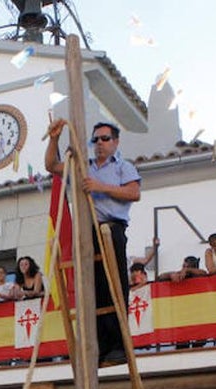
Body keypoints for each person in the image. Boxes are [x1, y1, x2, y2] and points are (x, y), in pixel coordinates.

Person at [45, 120, 141, 362]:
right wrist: (54, 139)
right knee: (91, 289)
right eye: (95, 139)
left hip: (111, 228)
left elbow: (133, 193)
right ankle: (98, 347)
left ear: (115, 142)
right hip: (87, 232)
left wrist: (101, 187)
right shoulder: (82, 167)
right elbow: (51, 166)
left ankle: (118, 344)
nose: (99, 143)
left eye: (105, 138)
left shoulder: (123, 166)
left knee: (115, 286)